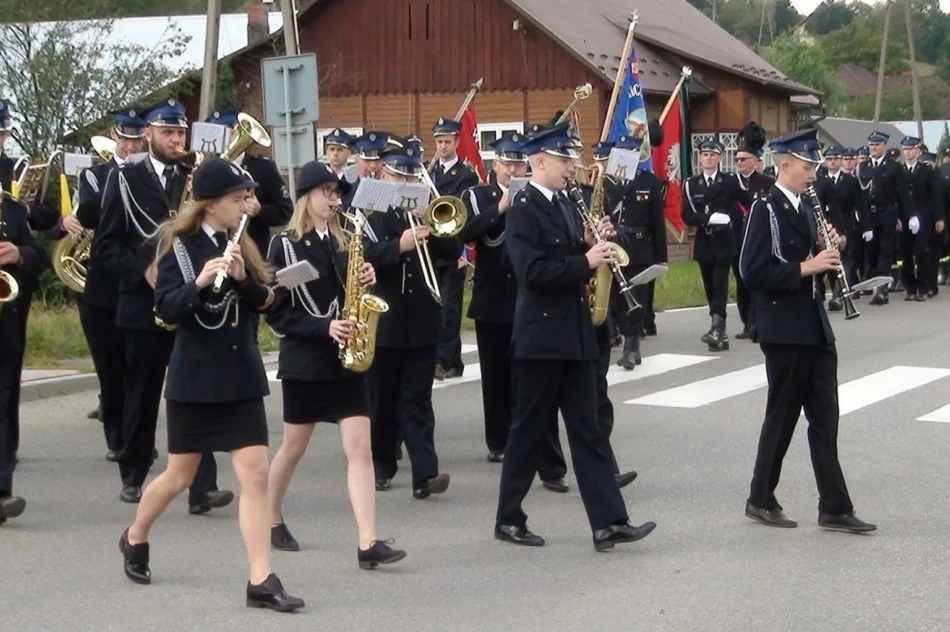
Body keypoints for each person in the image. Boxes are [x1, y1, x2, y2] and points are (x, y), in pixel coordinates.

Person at [119, 156, 304, 611]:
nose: (247, 207)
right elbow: (165, 311)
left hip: (240, 376)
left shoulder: (242, 242)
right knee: (179, 477)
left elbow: (267, 301)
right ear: (212, 203)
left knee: (255, 476)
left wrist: (242, 279)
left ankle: (260, 579)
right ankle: (135, 535)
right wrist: (199, 283)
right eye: (240, 199)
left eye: (247, 198)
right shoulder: (177, 247)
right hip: (196, 379)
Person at [494, 121, 655, 550]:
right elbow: (532, 272)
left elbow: (564, 251)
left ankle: (609, 523)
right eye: (565, 160)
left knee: (588, 432)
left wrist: (589, 240)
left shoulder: (566, 200)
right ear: (540, 161)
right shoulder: (525, 206)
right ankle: (508, 517)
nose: (572, 167)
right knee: (528, 432)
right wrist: (584, 259)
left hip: (575, 334)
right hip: (541, 339)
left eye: (571, 160)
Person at [264, 161, 406, 568]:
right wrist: (323, 327)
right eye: (326, 191)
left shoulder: (345, 241)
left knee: (360, 448)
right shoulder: (285, 245)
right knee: (293, 447)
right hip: (307, 359)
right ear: (306, 196)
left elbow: (355, 297)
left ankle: (368, 541)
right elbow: (278, 313)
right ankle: (270, 517)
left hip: (347, 360)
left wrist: (367, 277)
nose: (333, 199)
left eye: (336, 192)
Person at [739, 128, 876, 534]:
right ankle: (760, 497)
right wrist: (807, 267)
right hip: (783, 328)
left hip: (814, 325)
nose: (813, 174)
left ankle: (834, 505)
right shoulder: (767, 209)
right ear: (784, 166)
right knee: (781, 417)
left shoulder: (806, 206)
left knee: (825, 417)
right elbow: (752, 271)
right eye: (806, 167)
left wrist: (830, 251)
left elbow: (814, 259)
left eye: (813, 167)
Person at [98, 99, 232, 512]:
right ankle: (134, 473)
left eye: (180, 133)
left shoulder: (195, 177)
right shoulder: (124, 180)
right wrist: (143, 271)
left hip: (189, 300)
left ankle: (201, 487)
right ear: (149, 133)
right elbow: (106, 246)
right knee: (142, 390)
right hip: (142, 304)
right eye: (168, 133)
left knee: (196, 392)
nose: (177, 140)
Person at [459, 133, 568, 487]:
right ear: (495, 165)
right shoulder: (478, 195)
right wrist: (501, 207)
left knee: (534, 382)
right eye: (507, 163)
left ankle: (547, 458)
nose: (512, 170)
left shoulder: (536, 197)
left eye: (518, 163)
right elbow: (467, 234)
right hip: (492, 298)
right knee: (495, 376)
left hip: (526, 300)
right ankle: (498, 440)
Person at [364, 143, 452, 498]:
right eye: (399, 175)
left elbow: (450, 251)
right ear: (384, 175)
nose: (406, 181)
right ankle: (382, 465)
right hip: (385, 321)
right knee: (383, 402)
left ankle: (425, 475)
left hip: (422, 319)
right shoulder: (370, 212)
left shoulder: (426, 210)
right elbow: (361, 256)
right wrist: (398, 246)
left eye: (411, 176)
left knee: (418, 401)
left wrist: (436, 221)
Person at [73, 107, 147, 460]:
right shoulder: (94, 174)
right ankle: (117, 439)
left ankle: (137, 440)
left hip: (140, 287)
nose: (131, 145)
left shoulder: (152, 178)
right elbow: (88, 210)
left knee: (140, 370)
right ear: (115, 136)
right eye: (126, 138)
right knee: (110, 368)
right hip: (103, 287)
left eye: (137, 138)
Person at [0, 114, 49, 525]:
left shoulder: (11, 209)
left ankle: (2, 491)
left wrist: (18, 254)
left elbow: (40, 256)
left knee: (2, 404)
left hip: (5, 319)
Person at [609, 129, 667, 369]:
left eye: (631, 153)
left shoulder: (648, 181)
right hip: (614, 247)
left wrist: (661, 258)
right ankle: (621, 336)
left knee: (635, 297)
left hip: (641, 247)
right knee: (615, 298)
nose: (626, 158)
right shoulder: (606, 181)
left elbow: (657, 222)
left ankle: (631, 345)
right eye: (621, 153)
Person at [427, 117, 479, 380]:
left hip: (455, 246)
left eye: (447, 141)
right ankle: (454, 361)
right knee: (435, 306)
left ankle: (442, 359)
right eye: (439, 142)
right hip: (431, 248)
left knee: (450, 307)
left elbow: (464, 210)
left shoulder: (466, 174)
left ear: (457, 142)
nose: (442, 146)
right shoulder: (427, 171)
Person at [681, 136, 742, 352]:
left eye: (713, 155)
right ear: (700, 158)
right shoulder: (691, 184)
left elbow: (742, 206)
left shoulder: (729, 181)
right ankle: (719, 332)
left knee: (720, 284)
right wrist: (707, 219)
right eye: (705, 155)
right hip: (704, 240)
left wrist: (729, 219)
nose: (708, 158)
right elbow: (687, 215)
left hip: (724, 239)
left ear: (719, 158)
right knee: (709, 285)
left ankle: (718, 326)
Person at [855, 131, 913, 306]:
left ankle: (882, 291)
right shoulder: (863, 167)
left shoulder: (893, 167)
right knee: (871, 252)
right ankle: (874, 283)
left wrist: (909, 216)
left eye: (877, 145)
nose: (874, 148)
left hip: (887, 213)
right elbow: (858, 193)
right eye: (871, 145)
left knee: (886, 252)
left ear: (884, 146)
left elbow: (903, 193)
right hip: (868, 216)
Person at [735, 122, 772, 340]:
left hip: (757, 240)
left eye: (743, 159)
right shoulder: (730, 182)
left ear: (755, 161)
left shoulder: (767, 182)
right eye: (737, 159)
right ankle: (746, 322)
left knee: (756, 282)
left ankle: (756, 322)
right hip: (736, 239)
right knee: (741, 284)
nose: (739, 163)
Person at [897, 136, 943, 301]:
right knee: (906, 252)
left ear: (917, 151)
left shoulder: (925, 170)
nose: (908, 152)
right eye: (906, 149)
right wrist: (897, 217)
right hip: (903, 216)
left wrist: (938, 218)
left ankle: (923, 287)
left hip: (923, 216)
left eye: (911, 149)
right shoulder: (899, 171)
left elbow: (934, 195)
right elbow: (896, 197)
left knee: (921, 251)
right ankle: (910, 287)